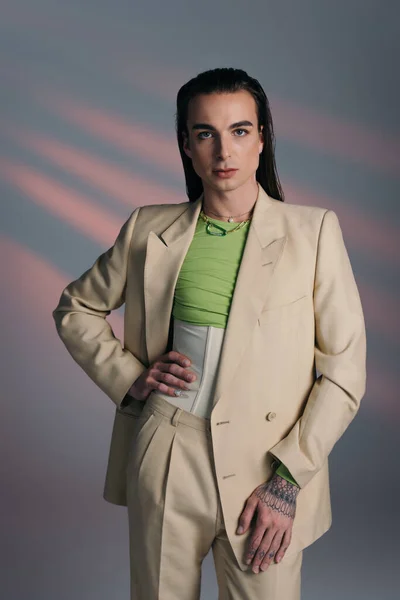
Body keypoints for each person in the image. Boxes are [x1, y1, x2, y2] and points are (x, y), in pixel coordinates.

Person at [52, 67, 367, 600]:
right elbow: (76, 308)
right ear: (187, 146)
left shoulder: (313, 232)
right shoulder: (148, 229)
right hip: (169, 449)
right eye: (206, 134)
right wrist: (131, 377)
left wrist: (287, 484)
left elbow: (344, 372)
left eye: (240, 131)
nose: (225, 150)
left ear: (262, 139)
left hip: (268, 464)